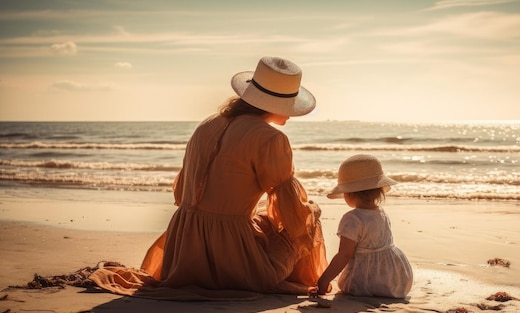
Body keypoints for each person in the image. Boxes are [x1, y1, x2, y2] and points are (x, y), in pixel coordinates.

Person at [91, 56, 328, 300]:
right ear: (273, 105)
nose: (290, 115)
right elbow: (288, 208)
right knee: (310, 213)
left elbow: (184, 192)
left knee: (265, 218)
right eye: (288, 106)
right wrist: (304, 218)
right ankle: (307, 281)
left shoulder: (207, 124)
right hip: (235, 263)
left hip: (183, 248)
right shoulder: (270, 138)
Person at [311, 154, 413, 299]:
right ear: (378, 190)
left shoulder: (352, 219)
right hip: (394, 278)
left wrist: (323, 281)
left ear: (349, 194)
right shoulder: (381, 213)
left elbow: (344, 254)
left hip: (366, 281)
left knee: (347, 284)